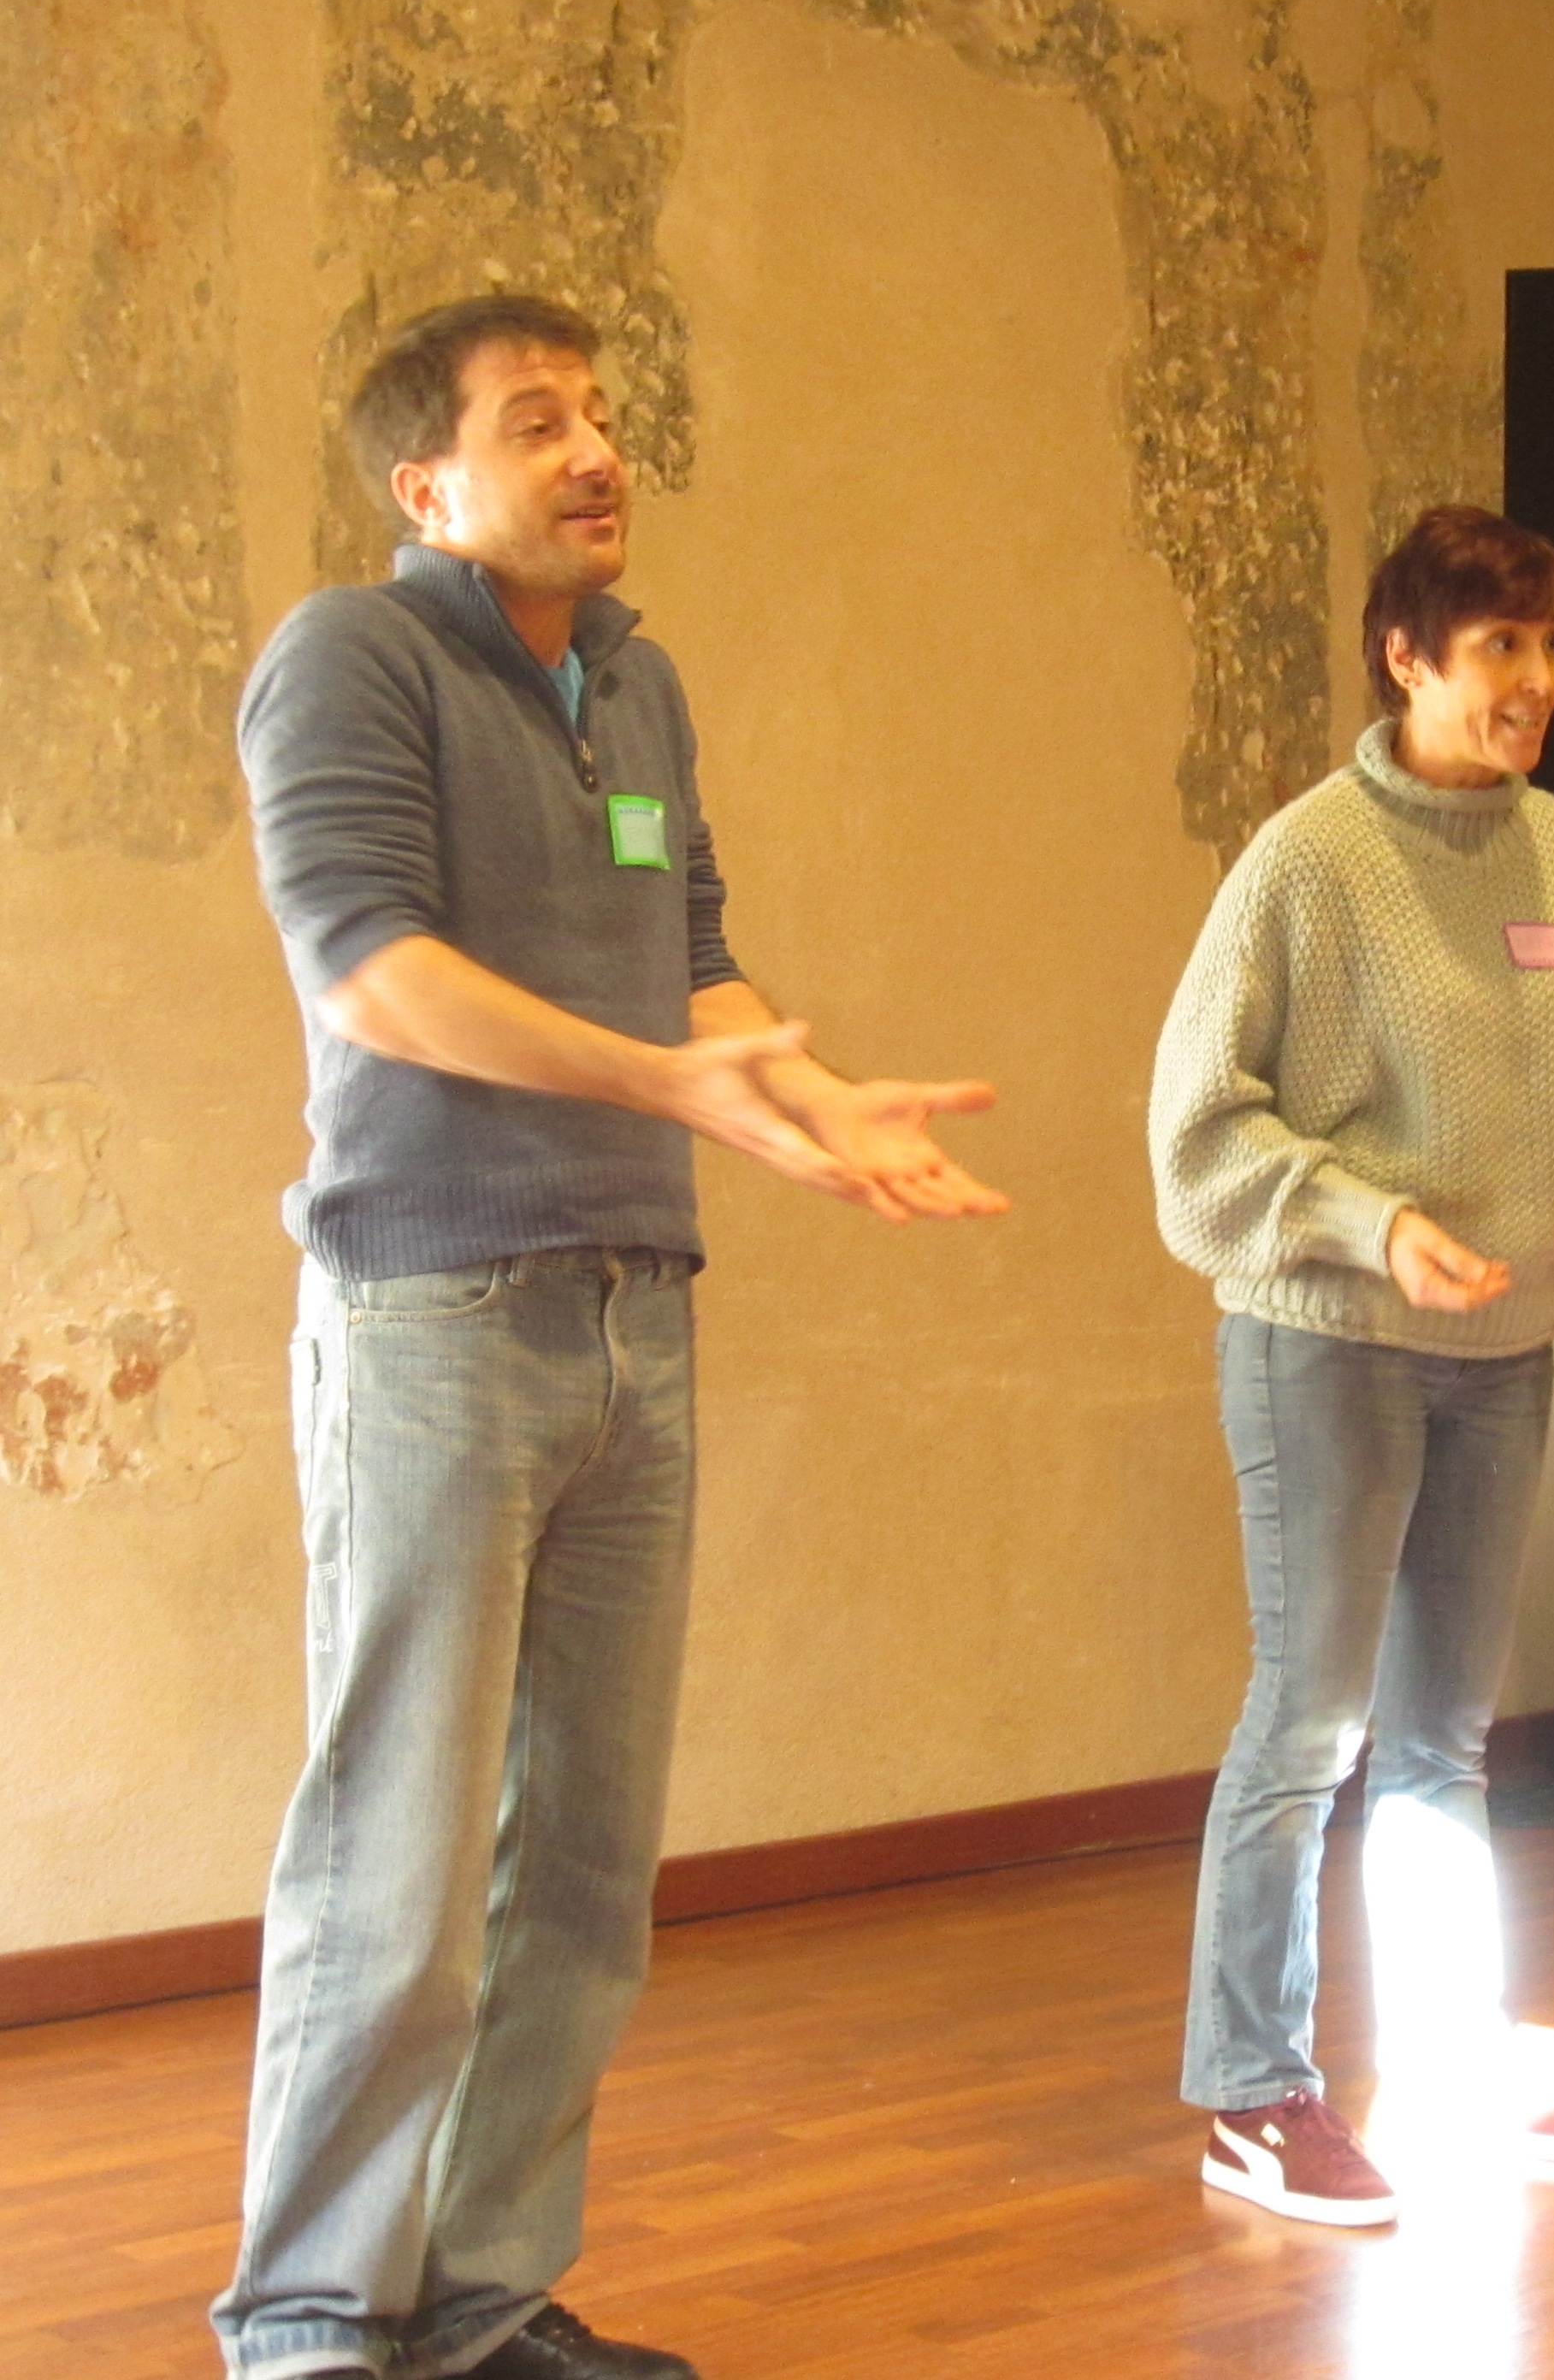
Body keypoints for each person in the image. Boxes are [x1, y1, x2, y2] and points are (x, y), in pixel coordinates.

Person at [213, 294, 1007, 2380]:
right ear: (426, 485)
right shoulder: (351, 656)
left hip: (635, 1320)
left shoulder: (636, 683)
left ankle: (474, 2303)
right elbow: (370, 968)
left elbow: (697, 961)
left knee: (578, 1875)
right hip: (433, 1313)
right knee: (394, 1870)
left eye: (602, 414)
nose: (594, 452)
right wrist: (667, 1087)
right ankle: (309, 2324)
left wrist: (808, 1104)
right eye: (535, 421)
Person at [1148, 505, 1554, 2229]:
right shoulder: (1306, 861)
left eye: (1549, 645)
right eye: (1498, 646)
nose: (1537, 680)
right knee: (1308, 1723)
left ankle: (1450, 2056)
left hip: (1502, 1349)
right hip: (1327, 1349)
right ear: (1405, 658)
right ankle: (1251, 2093)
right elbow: (1198, 1133)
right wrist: (1373, 1227)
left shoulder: (1550, 844)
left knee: (1445, 1739)